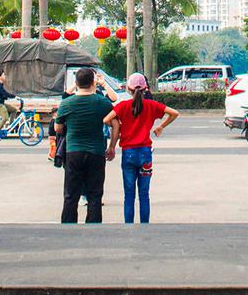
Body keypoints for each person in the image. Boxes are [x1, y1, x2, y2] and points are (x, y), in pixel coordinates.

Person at [106, 73, 178, 224]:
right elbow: (174, 113)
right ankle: (145, 225)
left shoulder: (123, 106)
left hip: (128, 153)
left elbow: (106, 119)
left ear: (128, 88)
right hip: (145, 153)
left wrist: (118, 126)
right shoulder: (152, 106)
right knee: (144, 194)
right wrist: (161, 127)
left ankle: (129, 225)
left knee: (129, 195)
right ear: (146, 88)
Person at [52, 67, 113, 223]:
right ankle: (93, 226)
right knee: (95, 193)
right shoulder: (102, 102)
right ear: (93, 82)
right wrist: (112, 145)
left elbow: (57, 128)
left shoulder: (66, 103)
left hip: (73, 152)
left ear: (76, 83)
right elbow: (114, 122)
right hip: (96, 152)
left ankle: (68, 225)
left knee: (71, 194)